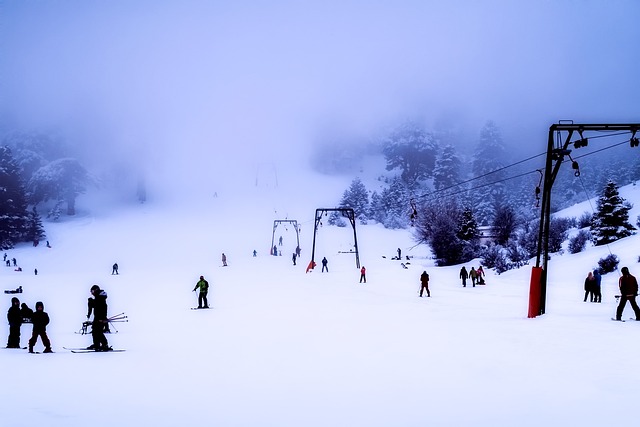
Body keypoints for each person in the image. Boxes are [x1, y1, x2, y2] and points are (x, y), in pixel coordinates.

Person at [87, 285, 111, 351]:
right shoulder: (99, 297)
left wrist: (102, 318)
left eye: (92, 291)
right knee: (95, 331)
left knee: (98, 332)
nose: (92, 293)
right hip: (97, 317)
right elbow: (95, 305)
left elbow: (100, 307)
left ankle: (104, 345)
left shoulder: (100, 298)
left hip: (100, 318)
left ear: (96, 290)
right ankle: (96, 344)